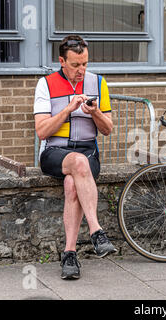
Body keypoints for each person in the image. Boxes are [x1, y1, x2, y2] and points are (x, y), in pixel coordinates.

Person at [33, 35, 116, 280]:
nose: (82, 71)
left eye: (85, 64)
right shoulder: (45, 84)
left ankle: (69, 254)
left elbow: (108, 129)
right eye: (75, 65)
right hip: (54, 151)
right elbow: (42, 131)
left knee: (72, 183)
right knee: (77, 163)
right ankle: (96, 231)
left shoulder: (98, 82)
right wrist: (68, 109)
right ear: (61, 61)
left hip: (88, 150)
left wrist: (96, 113)